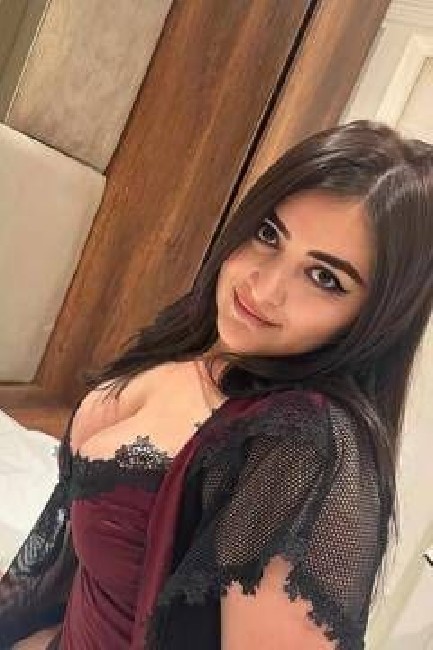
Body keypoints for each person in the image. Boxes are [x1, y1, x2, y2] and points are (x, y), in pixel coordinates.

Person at [1, 119, 432, 649]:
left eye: (324, 278)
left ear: (376, 318)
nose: (264, 288)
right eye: (269, 235)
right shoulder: (199, 338)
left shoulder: (304, 447)